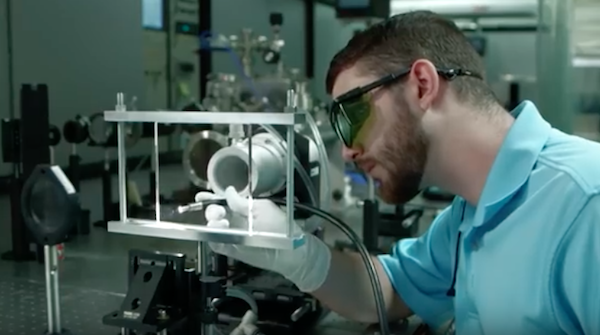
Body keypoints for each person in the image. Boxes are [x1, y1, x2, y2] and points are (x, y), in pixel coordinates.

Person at [197, 10, 600, 335]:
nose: (349, 151)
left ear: (422, 85)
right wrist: (296, 255)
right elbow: (388, 290)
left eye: (353, 115)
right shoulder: (467, 213)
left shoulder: (586, 205)